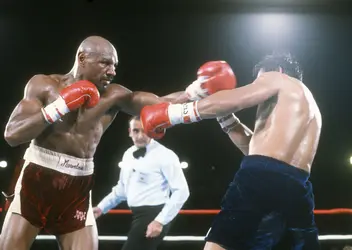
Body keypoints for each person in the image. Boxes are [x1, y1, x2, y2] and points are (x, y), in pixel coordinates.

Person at [0, 35, 236, 250]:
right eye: (105, 63)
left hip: (78, 186)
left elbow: (158, 103)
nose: (112, 70)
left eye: (114, 65)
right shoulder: (44, 85)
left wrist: (197, 90)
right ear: (82, 58)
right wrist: (58, 107)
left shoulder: (114, 96)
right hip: (38, 178)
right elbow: (12, 135)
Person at [140, 52, 322, 249]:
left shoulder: (277, 77)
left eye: (259, 80)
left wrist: (171, 113)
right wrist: (224, 117)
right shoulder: (310, 109)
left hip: (260, 179)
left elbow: (234, 100)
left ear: (278, 71)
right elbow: (252, 147)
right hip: (298, 189)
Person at [93, 116, 189, 250]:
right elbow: (122, 189)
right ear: (129, 132)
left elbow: (182, 191)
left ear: (152, 131)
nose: (140, 136)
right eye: (136, 131)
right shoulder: (128, 154)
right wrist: (101, 208)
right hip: (138, 215)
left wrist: (159, 221)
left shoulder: (165, 155)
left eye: (144, 131)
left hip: (154, 214)